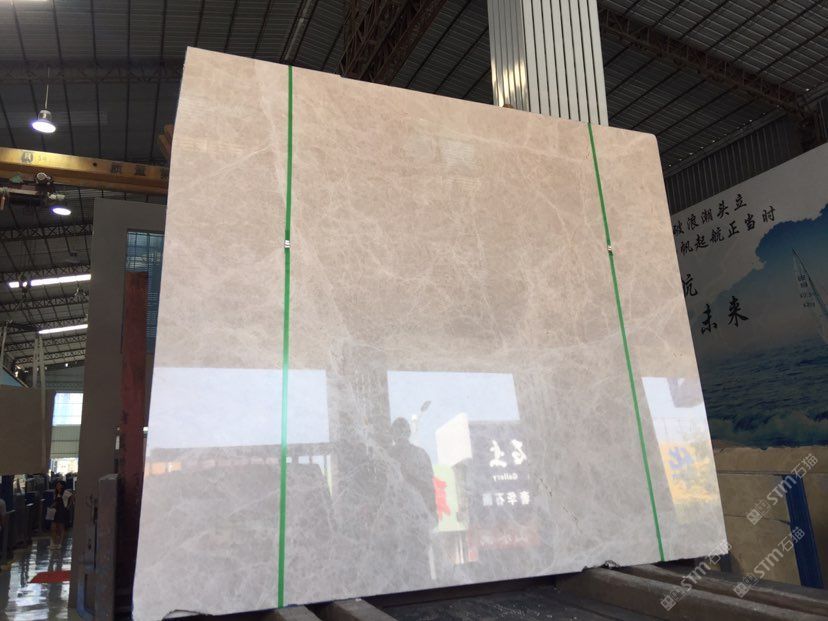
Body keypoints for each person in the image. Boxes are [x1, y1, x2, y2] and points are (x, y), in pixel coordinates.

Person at [50, 480, 73, 549]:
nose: (57, 486)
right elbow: (56, 502)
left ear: (62, 486)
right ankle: (54, 543)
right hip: (56, 511)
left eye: (59, 485)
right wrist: (52, 506)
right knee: (53, 527)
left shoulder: (65, 492)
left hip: (62, 511)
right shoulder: (56, 493)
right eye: (57, 485)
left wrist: (68, 506)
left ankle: (60, 543)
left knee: (61, 527)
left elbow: (72, 497)